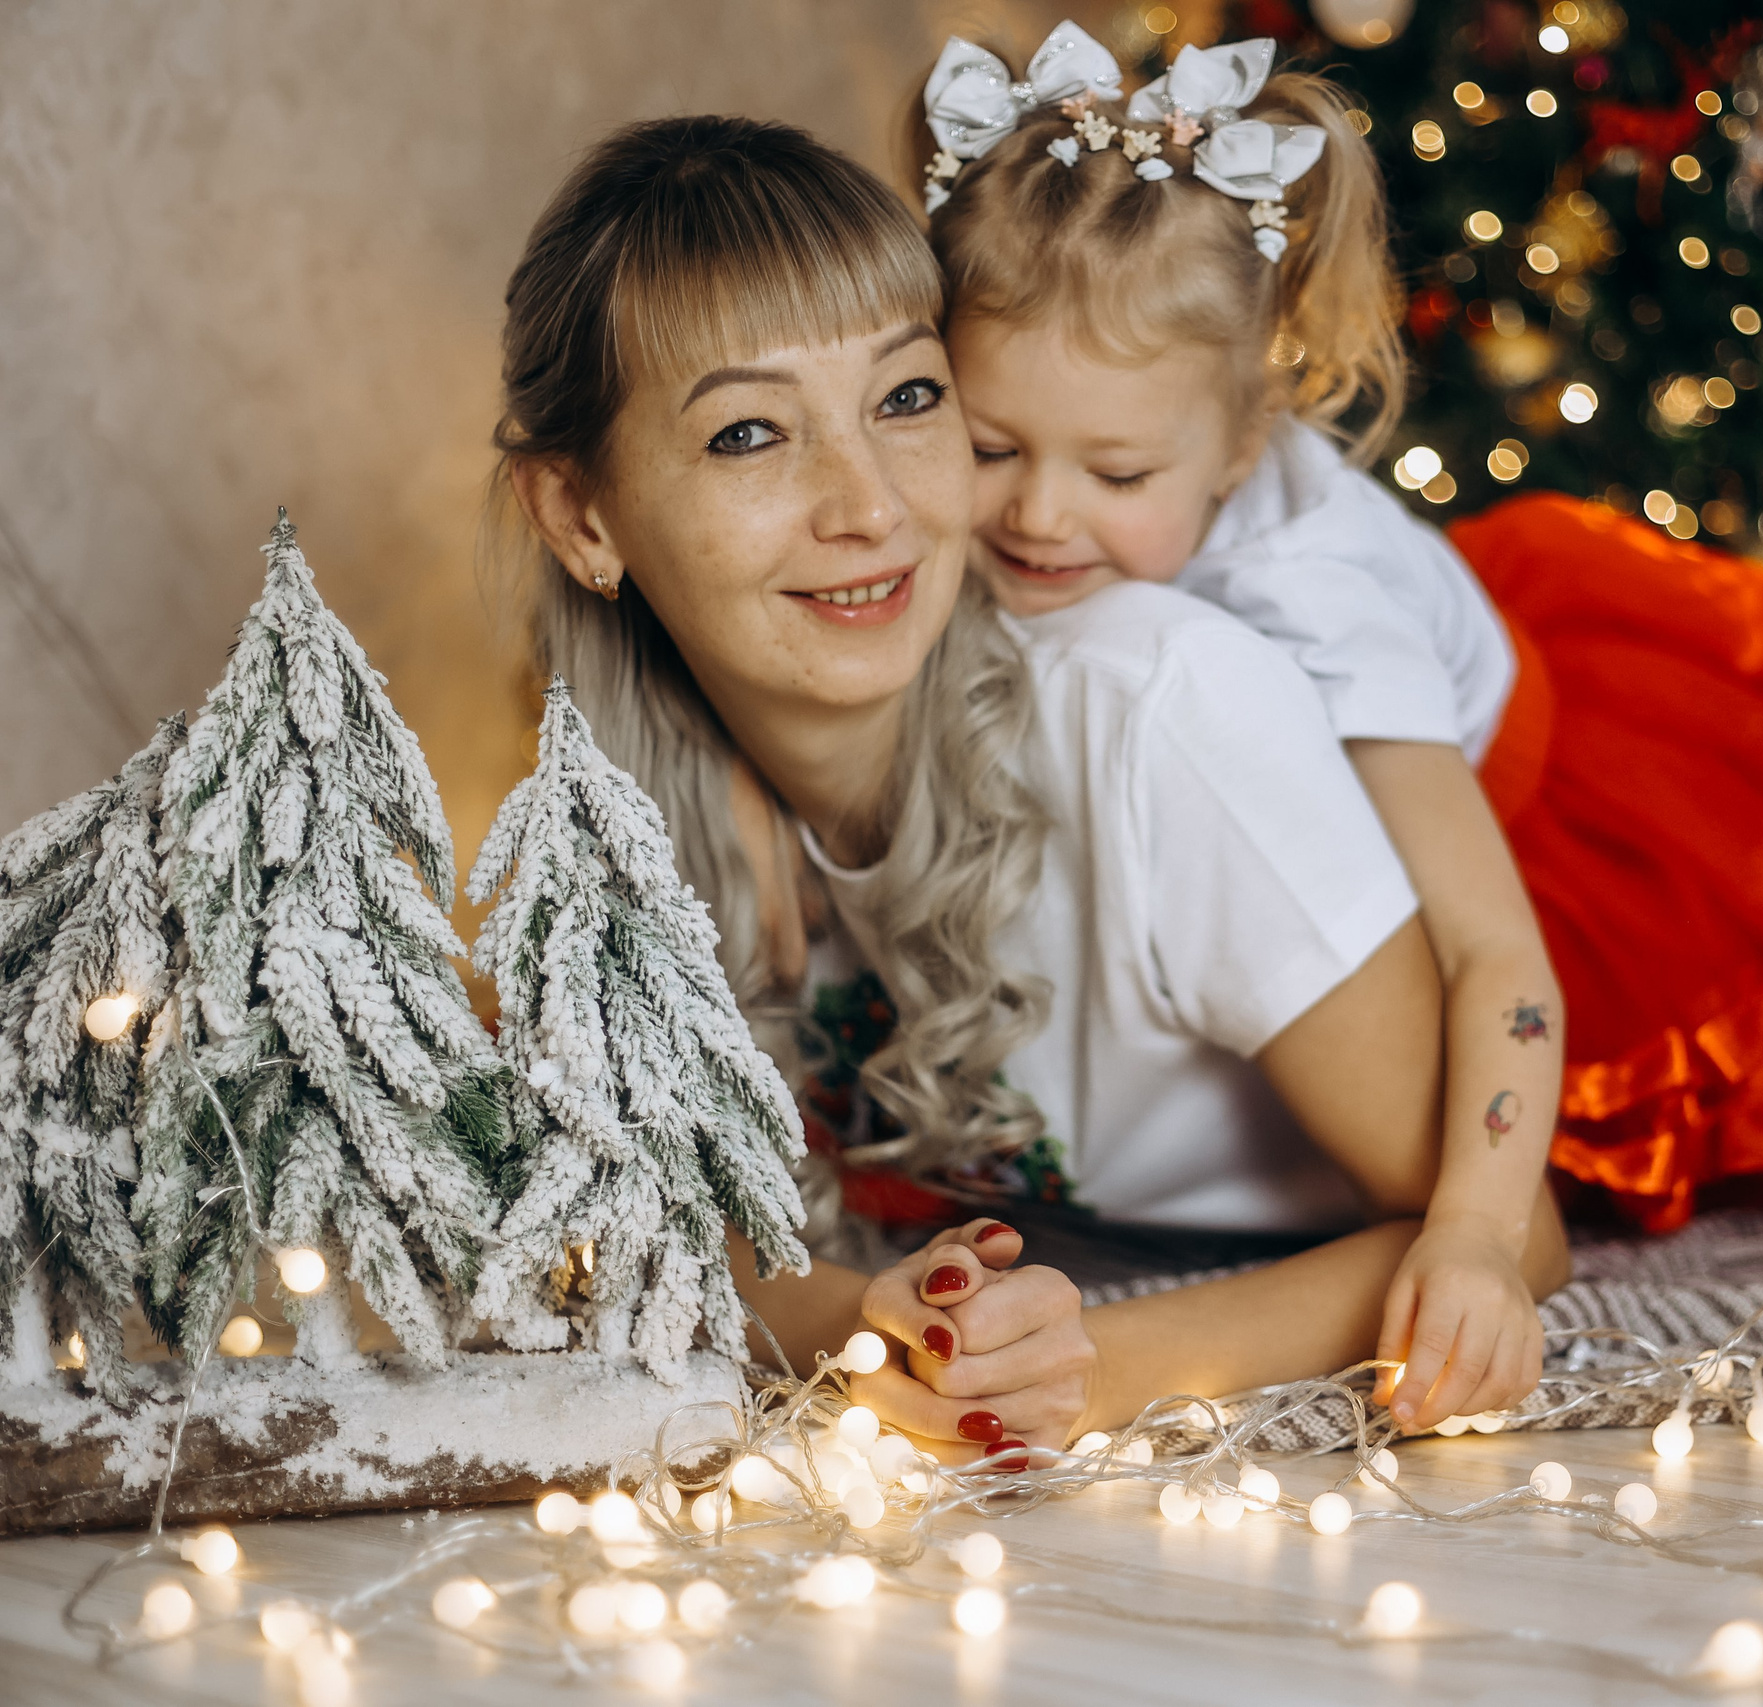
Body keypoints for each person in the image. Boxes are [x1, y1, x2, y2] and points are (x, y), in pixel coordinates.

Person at [489, 114, 1566, 1450]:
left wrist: (1096, 1367)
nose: (870, 505)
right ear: (581, 515)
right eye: (751, 434)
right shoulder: (611, 805)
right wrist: (891, 1333)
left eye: (905, 397)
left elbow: (1528, 1233)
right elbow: (680, 1241)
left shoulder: (1172, 705)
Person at [916, 26, 1763, 1230]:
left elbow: (1494, 954)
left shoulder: (1314, 613)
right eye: (989, 449)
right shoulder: (1065, 503)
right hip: (1473, 646)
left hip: (1541, 827)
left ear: (1243, 445)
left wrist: (1473, 1231)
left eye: (1118, 474)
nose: (1037, 512)